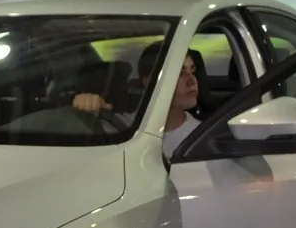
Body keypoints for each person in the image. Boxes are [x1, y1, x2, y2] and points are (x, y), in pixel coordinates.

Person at [72, 41, 201, 156]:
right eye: (179, 73)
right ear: (149, 81)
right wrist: (82, 107)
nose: (192, 81)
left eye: (193, 71)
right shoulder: (123, 127)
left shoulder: (202, 137)